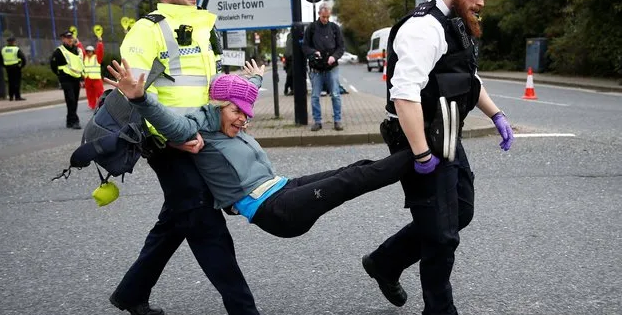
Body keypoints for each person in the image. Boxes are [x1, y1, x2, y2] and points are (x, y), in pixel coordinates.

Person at [108, 0, 280, 315]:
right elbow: (133, 92)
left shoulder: (201, 27)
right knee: (203, 221)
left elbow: (204, 85)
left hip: (199, 135)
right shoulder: (146, 30)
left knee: (178, 218)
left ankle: (132, 291)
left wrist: (239, 88)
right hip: (167, 142)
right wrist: (171, 137)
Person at [362, 0, 514, 315]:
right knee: (442, 234)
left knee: (460, 211)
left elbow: (467, 77)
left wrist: (496, 115)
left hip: (445, 138)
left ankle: (385, 262)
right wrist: (422, 155)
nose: (482, 1)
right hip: (422, 142)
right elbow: (405, 94)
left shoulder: (455, 25)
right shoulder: (423, 28)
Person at [105, 58, 412, 239]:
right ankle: (420, 154)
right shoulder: (198, 128)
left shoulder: (227, 112)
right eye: (237, 112)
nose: (243, 119)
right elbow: (172, 125)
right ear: (219, 106)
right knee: (350, 182)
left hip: (283, 186)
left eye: (247, 113)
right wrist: (141, 98)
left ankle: (413, 157)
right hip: (275, 210)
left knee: (354, 168)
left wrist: (255, 77)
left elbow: (236, 93)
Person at [302, 4, 345, 131]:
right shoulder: (312, 28)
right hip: (316, 69)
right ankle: (317, 121)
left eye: (327, 17)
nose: (325, 19)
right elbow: (305, 46)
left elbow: (341, 47)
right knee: (315, 96)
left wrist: (334, 57)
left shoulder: (334, 28)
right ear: (319, 14)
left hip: (332, 67)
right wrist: (313, 52)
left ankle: (337, 120)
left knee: (336, 95)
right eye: (323, 17)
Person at [50, 31, 84, 129]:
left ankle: (69, 120)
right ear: (63, 39)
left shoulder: (77, 50)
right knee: (71, 99)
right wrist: (60, 75)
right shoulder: (59, 51)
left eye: (71, 37)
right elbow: (53, 65)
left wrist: (81, 78)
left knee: (74, 100)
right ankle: (75, 121)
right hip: (65, 79)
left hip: (76, 78)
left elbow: (80, 64)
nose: (69, 39)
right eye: (67, 38)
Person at [0, 36, 27, 101]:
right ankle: (17, 97)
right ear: (14, 42)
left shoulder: (3, 49)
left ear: (8, 42)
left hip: (8, 68)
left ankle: (11, 97)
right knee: (17, 82)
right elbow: (23, 58)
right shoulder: (16, 49)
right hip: (16, 68)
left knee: (11, 82)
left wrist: (4, 65)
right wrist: (21, 66)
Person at [79, 38, 104, 110]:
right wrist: (78, 43)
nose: (89, 52)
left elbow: (100, 51)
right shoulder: (85, 58)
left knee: (100, 93)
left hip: (96, 78)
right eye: (87, 51)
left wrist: (100, 43)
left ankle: (102, 105)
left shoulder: (97, 57)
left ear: (93, 51)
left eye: (90, 51)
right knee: (90, 94)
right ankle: (92, 105)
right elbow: (81, 50)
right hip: (87, 79)